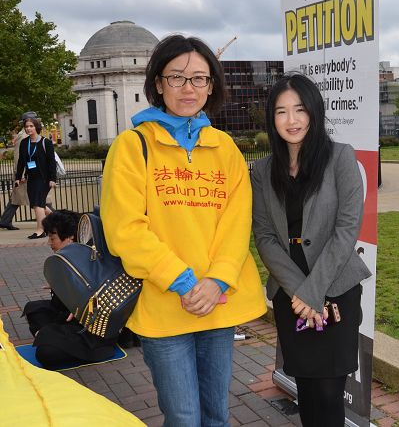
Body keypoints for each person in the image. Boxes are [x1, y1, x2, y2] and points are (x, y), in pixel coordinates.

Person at [100, 34, 266, 426]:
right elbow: (126, 229)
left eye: (199, 79)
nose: (188, 88)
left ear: (211, 86)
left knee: (217, 415)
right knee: (184, 417)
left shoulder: (225, 148)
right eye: (177, 77)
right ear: (159, 84)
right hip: (165, 304)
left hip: (216, 303)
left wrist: (218, 281)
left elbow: (236, 221)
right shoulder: (132, 145)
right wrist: (184, 282)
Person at [251, 72, 372, 427]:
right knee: (306, 391)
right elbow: (264, 236)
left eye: (300, 109)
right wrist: (300, 293)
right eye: (281, 111)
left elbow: (346, 229)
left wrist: (314, 292)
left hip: (336, 289)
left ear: (314, 111)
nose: (292, 120)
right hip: (291, 296)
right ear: (271, 118)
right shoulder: (263, 170)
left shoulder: (340, 158)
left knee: (330, 396)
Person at [23, 210, 120, 369]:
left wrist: (83, 306)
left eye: (52, 238)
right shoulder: (68, 259)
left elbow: (105, 295)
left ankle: (53, 337)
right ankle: (52, 335)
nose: (49, 242)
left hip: (90, 327)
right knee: (34, 309)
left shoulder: (92, 258)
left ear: (69, 237)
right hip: (68, 317)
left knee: (45, 353)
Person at [0, 112, 54, 231]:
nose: (30, 126)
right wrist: (21, 174)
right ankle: (55, 220)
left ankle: (5, 220)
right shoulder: (23, 136)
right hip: (28, 174)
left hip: (33, 173)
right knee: (36, 199)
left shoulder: (30, 135)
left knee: (23, 199)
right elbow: (20, 157)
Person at [15, 115, 56, 239]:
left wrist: (53, 179)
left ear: (36, 127)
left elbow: (51, 162)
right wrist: (18, 177)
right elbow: (21, 161)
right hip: (31, 178)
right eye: (26, 126)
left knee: (38, 204)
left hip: (44, 178)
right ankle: (59, 221)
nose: (28, 129)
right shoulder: (24, 143)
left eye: (31, 126)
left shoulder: (46, 142)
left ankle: (41, 230)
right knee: (37, 205)